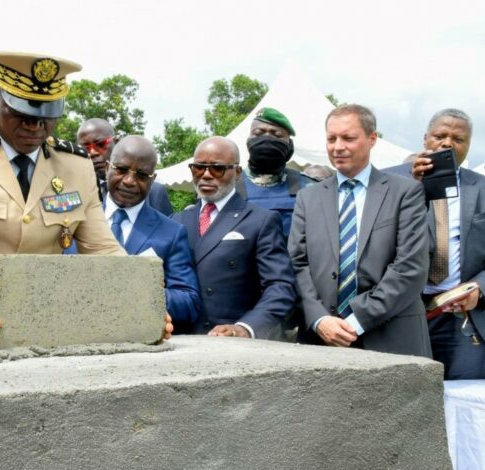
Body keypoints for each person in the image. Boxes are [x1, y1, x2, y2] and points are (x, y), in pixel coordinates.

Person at [0, 51, 168, 342]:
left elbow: (104, 251)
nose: (35, 128)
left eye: (46, 118)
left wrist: (140, 302)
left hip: (28, 336)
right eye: (22, 115)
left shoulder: (75, 166)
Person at [289, 104, 430, 356]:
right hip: (321, 340)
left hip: (392, 337)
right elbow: (297, 264)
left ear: (372, 139)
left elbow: (410, 267)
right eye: (331, 138)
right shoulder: (307, 198)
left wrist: (356, 320)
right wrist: (320, 319)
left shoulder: (405, 192)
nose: (338, 146)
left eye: (348, 138)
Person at [386, 109, 485, 378]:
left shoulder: (484, 188)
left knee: (463, 400)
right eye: (440, 136)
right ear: (425, 138)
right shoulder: (389, 182)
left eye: (458, 138)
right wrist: (414, 186)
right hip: (401, 314)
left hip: (461, 316)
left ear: (468, 146)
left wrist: (482, 286)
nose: (447, 143)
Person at [172, 136, 296, 338]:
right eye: (198, 168)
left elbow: (280, 286)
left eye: (217, 168)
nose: (206, 175)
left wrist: (246, 327)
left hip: (234, 344)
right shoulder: (177, 221)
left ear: (237, 173)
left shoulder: (260, 220)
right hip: (182, 340)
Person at [104, 135, 201, 331]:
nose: (130, 181)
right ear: (107, 168)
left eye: (141, 175)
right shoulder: (76, 221)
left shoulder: (171, 233)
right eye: (122, 170)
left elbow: (189, 302)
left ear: (153, 179)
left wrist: (139, 292)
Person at [236, 107, 316, 237]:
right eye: (258, 133)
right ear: (248, 141)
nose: (267, 138)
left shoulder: (309, 188)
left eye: (277, 135)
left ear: (290, 145)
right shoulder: (227, 189)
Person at [77, 118, 173, 215]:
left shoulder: (154, 193)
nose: (92, 153)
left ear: (116, 142)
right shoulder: (75, 191)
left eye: (100, 144)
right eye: (85, 148)